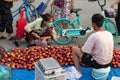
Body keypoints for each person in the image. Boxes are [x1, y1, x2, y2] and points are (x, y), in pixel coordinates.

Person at [72, 14, 114, 80]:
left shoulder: (94, 36)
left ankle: (78, 71)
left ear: (93, 24)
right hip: (109, 63)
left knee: (74, 49)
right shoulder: (109, 34)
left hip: (98, 64)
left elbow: (83, 51)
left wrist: (83, 48)